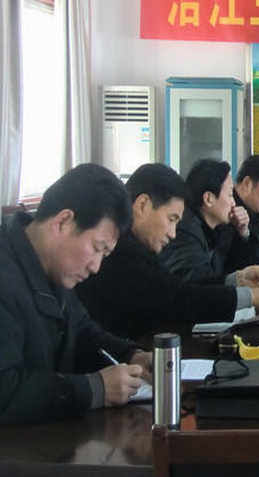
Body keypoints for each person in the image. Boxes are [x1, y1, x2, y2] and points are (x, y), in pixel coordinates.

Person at [0, 164, 151, 425]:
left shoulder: (53, 268)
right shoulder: (6, 275)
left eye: (105, 255)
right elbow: (5, 388)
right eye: (97, 248)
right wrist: (94, 389)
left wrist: (130, 355)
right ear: (63, 222)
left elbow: (81, 332)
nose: (96, 267)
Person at [76, 164, 259, 341]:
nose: (173, 233)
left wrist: (236, 280)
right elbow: (176, 298)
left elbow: (176, 286)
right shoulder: (120, 253)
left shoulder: (138, 247)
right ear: (143, 205)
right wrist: (250, 297)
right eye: (171, 219)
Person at [160, 158, 259, 286]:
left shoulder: (218, 229)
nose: (233, 203)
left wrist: (243, 232)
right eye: (230, 195)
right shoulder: (185, 232)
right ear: (208, 199)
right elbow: (199, 285)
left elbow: (234, 267)